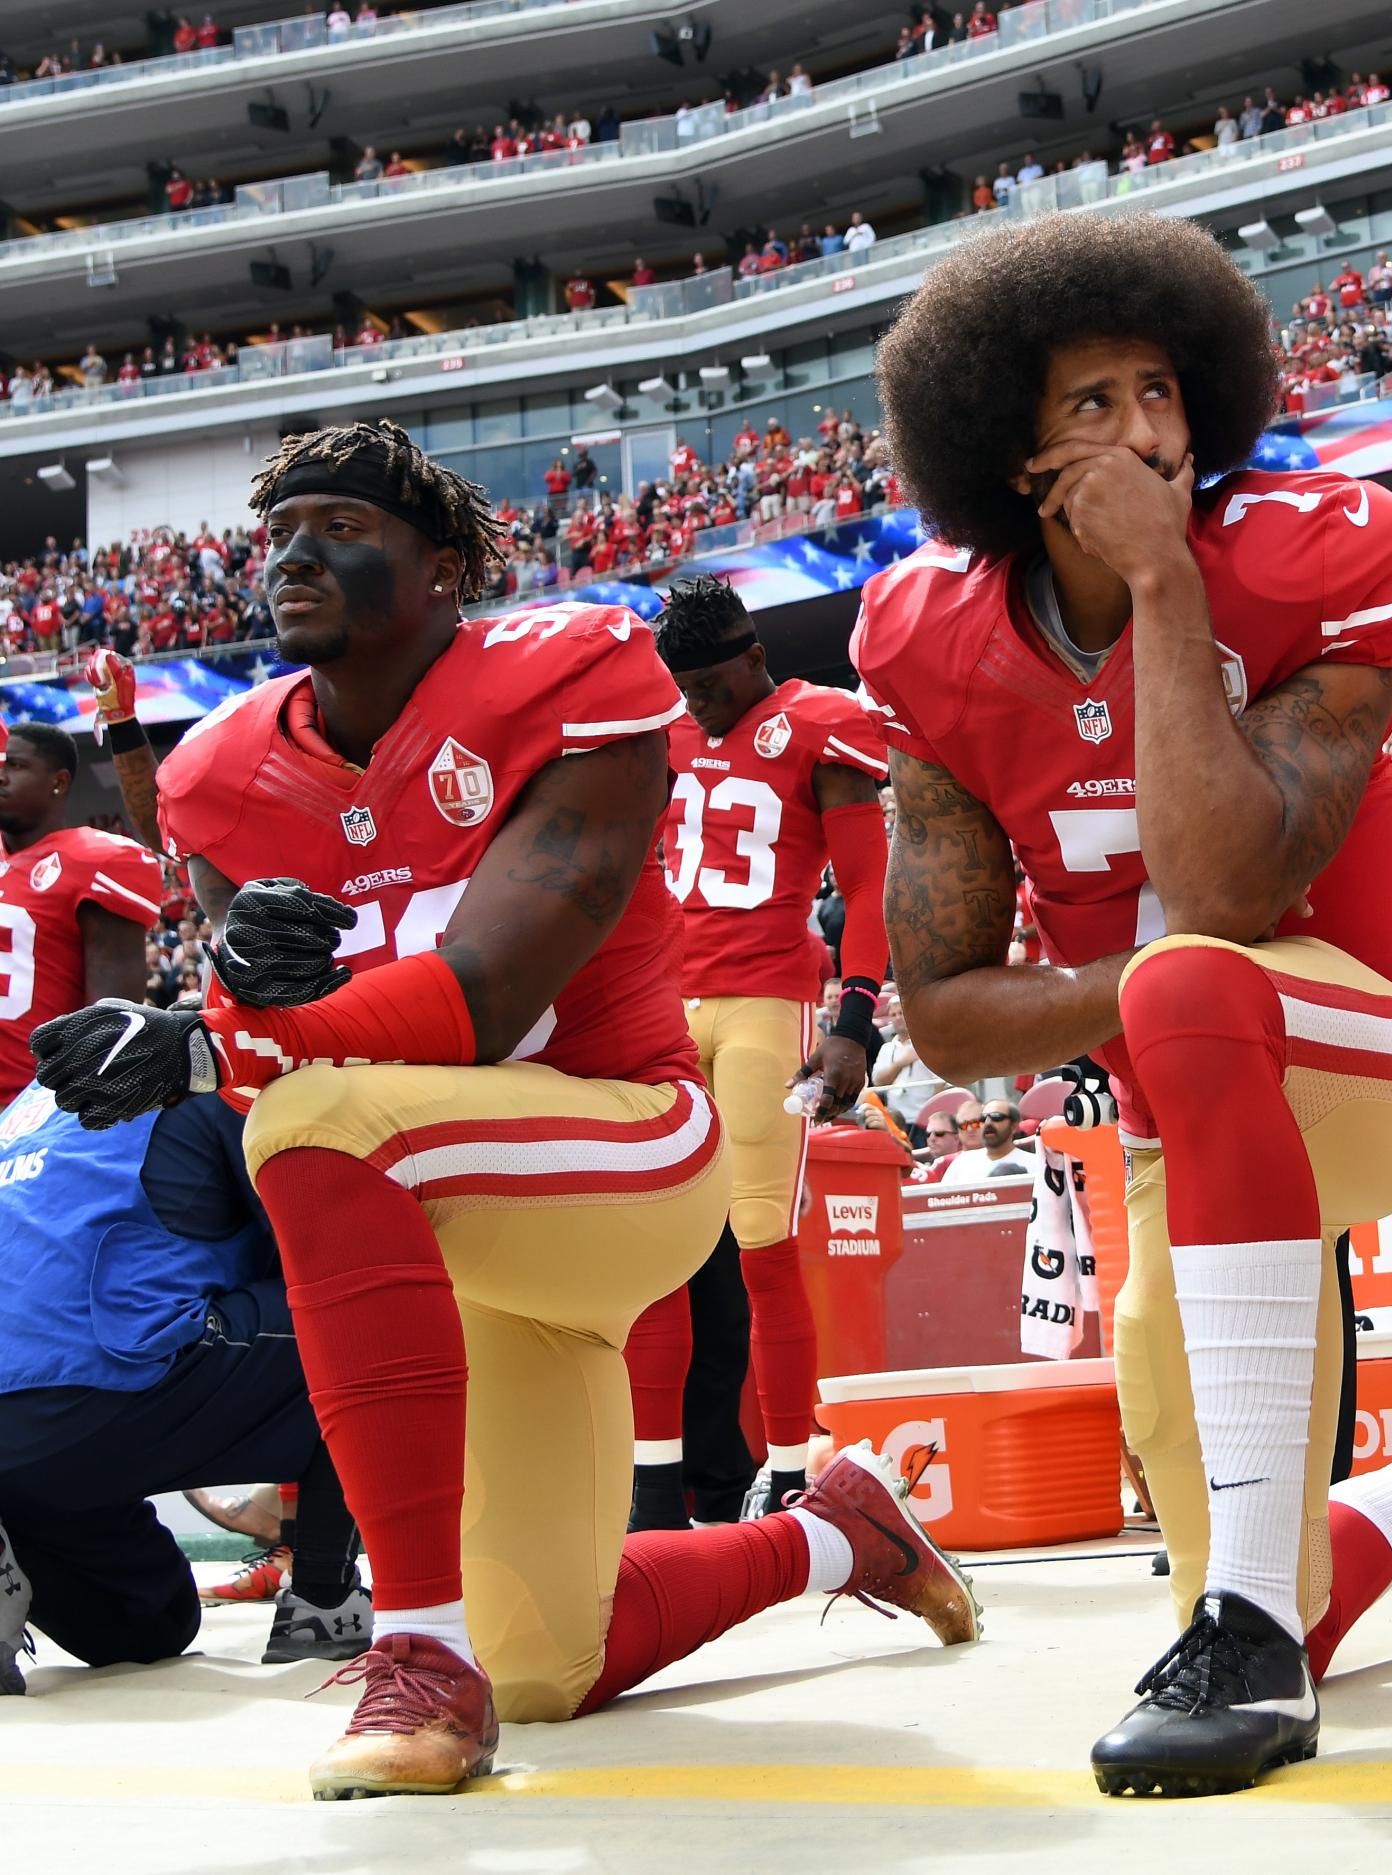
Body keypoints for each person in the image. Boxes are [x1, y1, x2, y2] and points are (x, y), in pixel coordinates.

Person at [28, 421, 978, 1800]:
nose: (295, 550)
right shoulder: (222, 774)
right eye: (280, 528)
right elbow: (269, 1034)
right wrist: (237, 1015)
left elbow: (478, 995)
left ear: (444, 570)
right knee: (547, 1658)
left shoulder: (570, 679)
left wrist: (214, 1046)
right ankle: (839, 1532)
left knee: (310, 1122)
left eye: (344, 525)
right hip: (462, 1223)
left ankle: (412, 1650)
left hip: (621, 1143)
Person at [858, 215, 1392, 1797]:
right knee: (1262, 1578)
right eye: (1092, 404)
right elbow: (954, 1013)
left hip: (1378, 1051)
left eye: (1162, 389)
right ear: (1007, 449)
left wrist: (1167, 587)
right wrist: (1139, 1000)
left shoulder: (1318, 547)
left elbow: (1235, 893)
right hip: (1188, 1107)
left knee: (1196, 974)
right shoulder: (935, 637)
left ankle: (1248, 1619)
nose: (1147, 431)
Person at [623, 575, 893, 1531]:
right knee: (651, 1250)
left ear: (754, 658)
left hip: (762, 1004)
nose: (695, 701)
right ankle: (652, 1479)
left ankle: (785, 1469)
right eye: (681, 685)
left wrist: (854, 1024)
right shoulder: (661, 729)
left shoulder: (820, 723)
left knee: (762, 1244)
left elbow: (868, 887)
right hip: (660, 1000)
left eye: (709, 682)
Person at [0, 1088, 366, 1691]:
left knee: (150, 1625)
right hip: (91, 1376)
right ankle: (324, 1603)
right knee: (371, 1319)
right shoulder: (232, 1075)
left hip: (35, 1421)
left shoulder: (40, 1091)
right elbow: (326, 1261)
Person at [0, 720, 161, 1101]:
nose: (1, 776)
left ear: (58, 782)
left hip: (31, 1106)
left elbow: (108, 1023)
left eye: (15, 766)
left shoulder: (96, 859)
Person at [937, 1100, 1037, 1183]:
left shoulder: (1035, 1164)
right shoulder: (962, 1162)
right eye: (983, 1118)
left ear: (1014, 1126)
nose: (988, 1123)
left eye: (996, 1117)